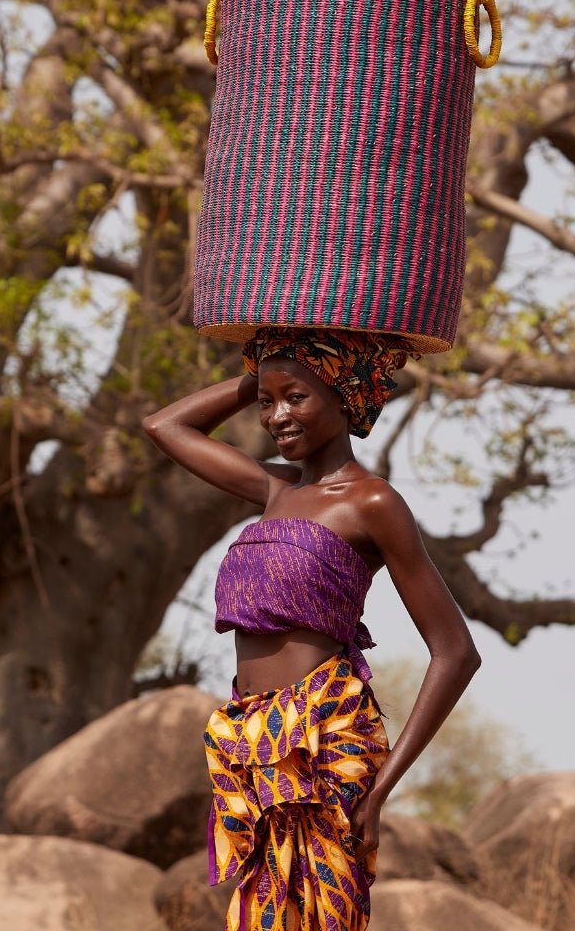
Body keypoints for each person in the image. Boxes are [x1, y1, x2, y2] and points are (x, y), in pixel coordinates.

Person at [143, 327, 482, 931]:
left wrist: (379, 792)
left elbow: (455, 652)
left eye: (295, 397)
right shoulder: (275, 489)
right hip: (250, 745)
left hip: (323, 741)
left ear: (341, 392)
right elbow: (164, 428)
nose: (276, 416)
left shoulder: (373, 503)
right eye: (267, 402)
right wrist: (270, 369)